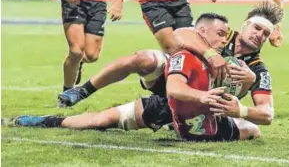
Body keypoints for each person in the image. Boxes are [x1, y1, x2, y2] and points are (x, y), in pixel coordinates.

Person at [6, 13, 259, 141]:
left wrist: (246, 86)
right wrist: (206, 78)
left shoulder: (235, 60)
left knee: (252, 130)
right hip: (171, 95)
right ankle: (51, 115)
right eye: (220, 33)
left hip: (197, 110)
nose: (224, 39)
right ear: (202, 31)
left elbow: (252, 108)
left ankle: (177, 124)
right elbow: (174, 83)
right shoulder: (188, 49)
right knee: (103, 118)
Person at [58, 2, 281, 129]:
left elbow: (266, 114)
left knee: (107, 120)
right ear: (245, 25)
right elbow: (180, 34)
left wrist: (240, 109)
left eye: (265, 33)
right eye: (256, 28)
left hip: (195, 104)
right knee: (143, 58)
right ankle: (82, 90)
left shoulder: (257, 71)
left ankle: (169, 122)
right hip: (174, 79)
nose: (259, 35)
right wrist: (211, 53)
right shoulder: (220, 33)